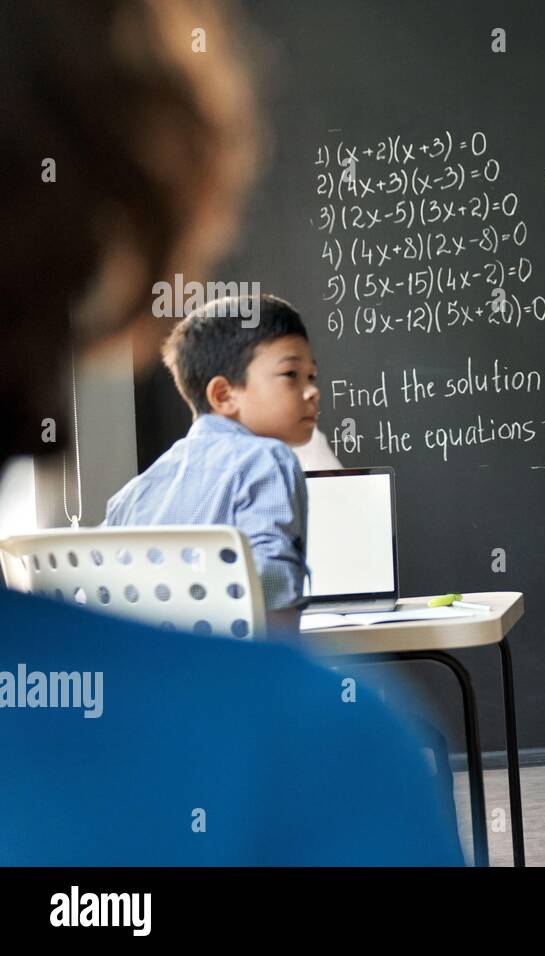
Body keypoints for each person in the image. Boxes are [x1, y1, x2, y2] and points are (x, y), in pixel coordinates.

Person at [0, 0, 462, 865]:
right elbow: (275, 597)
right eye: (294, 378)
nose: (313, 395)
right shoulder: (312, 747)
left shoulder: (144, 484)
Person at [106, 296, 318, 636]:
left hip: (149, 673)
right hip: (236, 675)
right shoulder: (268, 459)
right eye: (291, 374)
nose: (311, 392)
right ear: (223, 395)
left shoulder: (132, 494)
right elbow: (274, 588)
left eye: (312, 376)